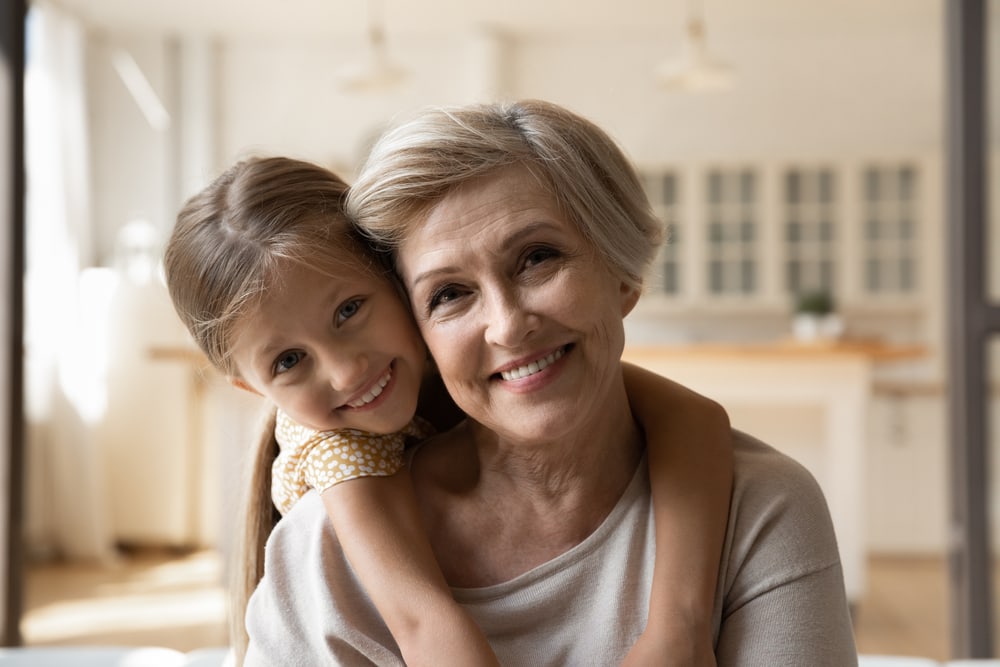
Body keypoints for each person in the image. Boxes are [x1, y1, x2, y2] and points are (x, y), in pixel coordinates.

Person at [239, 100, 858, 665]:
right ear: (420, 337)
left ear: (622, 272)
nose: (508, 326)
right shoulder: (324, 554)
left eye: (538, 258)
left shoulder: (762, 511)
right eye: (450, 295)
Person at [164, 156, 735, 666]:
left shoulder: (461, 343)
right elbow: (428, 630)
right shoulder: (340, 450)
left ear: (395, 275)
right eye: (289, 360)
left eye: (349, 310)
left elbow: (696, 416)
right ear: (248, 386)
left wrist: (677, 630)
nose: (344, 371)